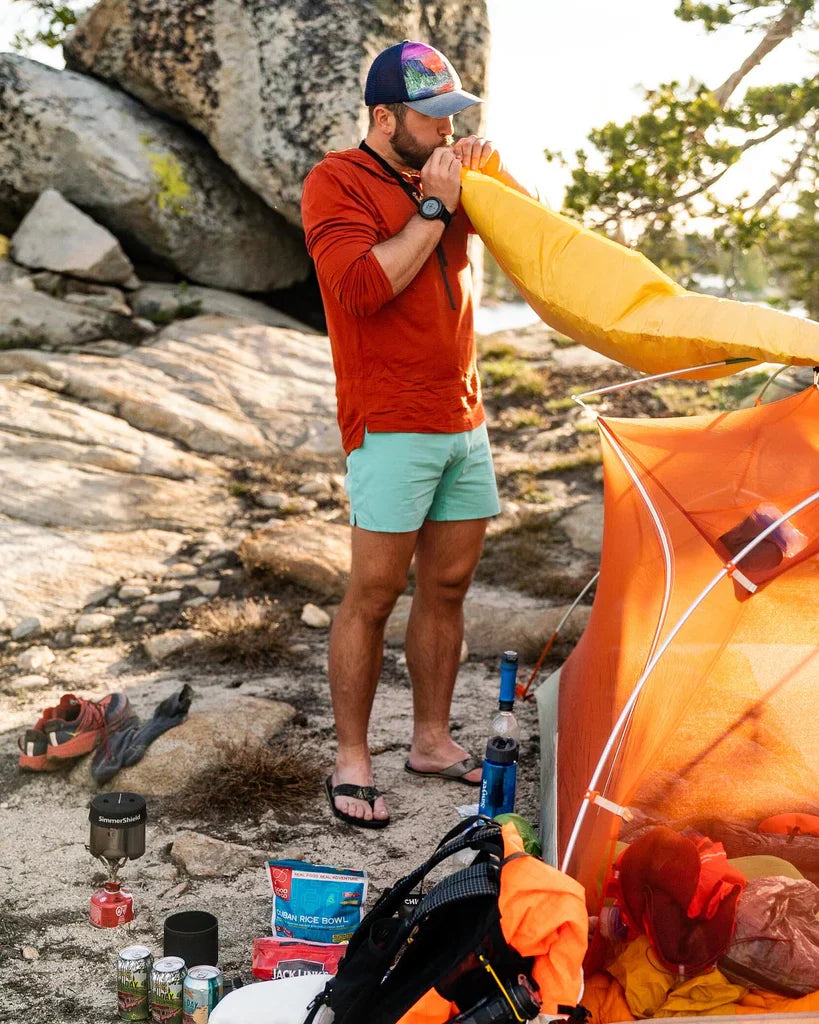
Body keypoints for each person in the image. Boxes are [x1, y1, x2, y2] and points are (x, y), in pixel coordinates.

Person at [301, 39, 531, 829]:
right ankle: (353, 759)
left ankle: (430, 741)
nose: (443, 131)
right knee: (372, 593)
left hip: (463, 417)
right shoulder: (336, 181)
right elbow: (362, 288)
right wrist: (434, 206)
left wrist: (491, 179)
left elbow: (528, 243)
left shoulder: (450, 170)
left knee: (447, 587)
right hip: (390, 420)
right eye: (429, 119)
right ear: (383, 116)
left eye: (451, 118)